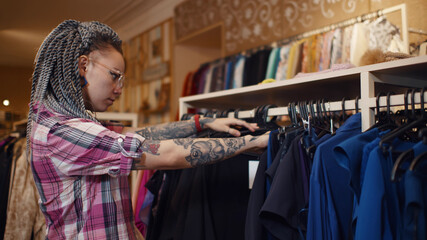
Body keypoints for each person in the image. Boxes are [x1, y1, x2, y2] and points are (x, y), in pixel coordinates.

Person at [27, 20, 269, 239]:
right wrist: (251, 143)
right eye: (114, 76)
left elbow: (140, 136)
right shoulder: (62, 132)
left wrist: (201, 123)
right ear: (83, 65)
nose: (119, 89)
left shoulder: (64, 125)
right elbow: (166, 153)